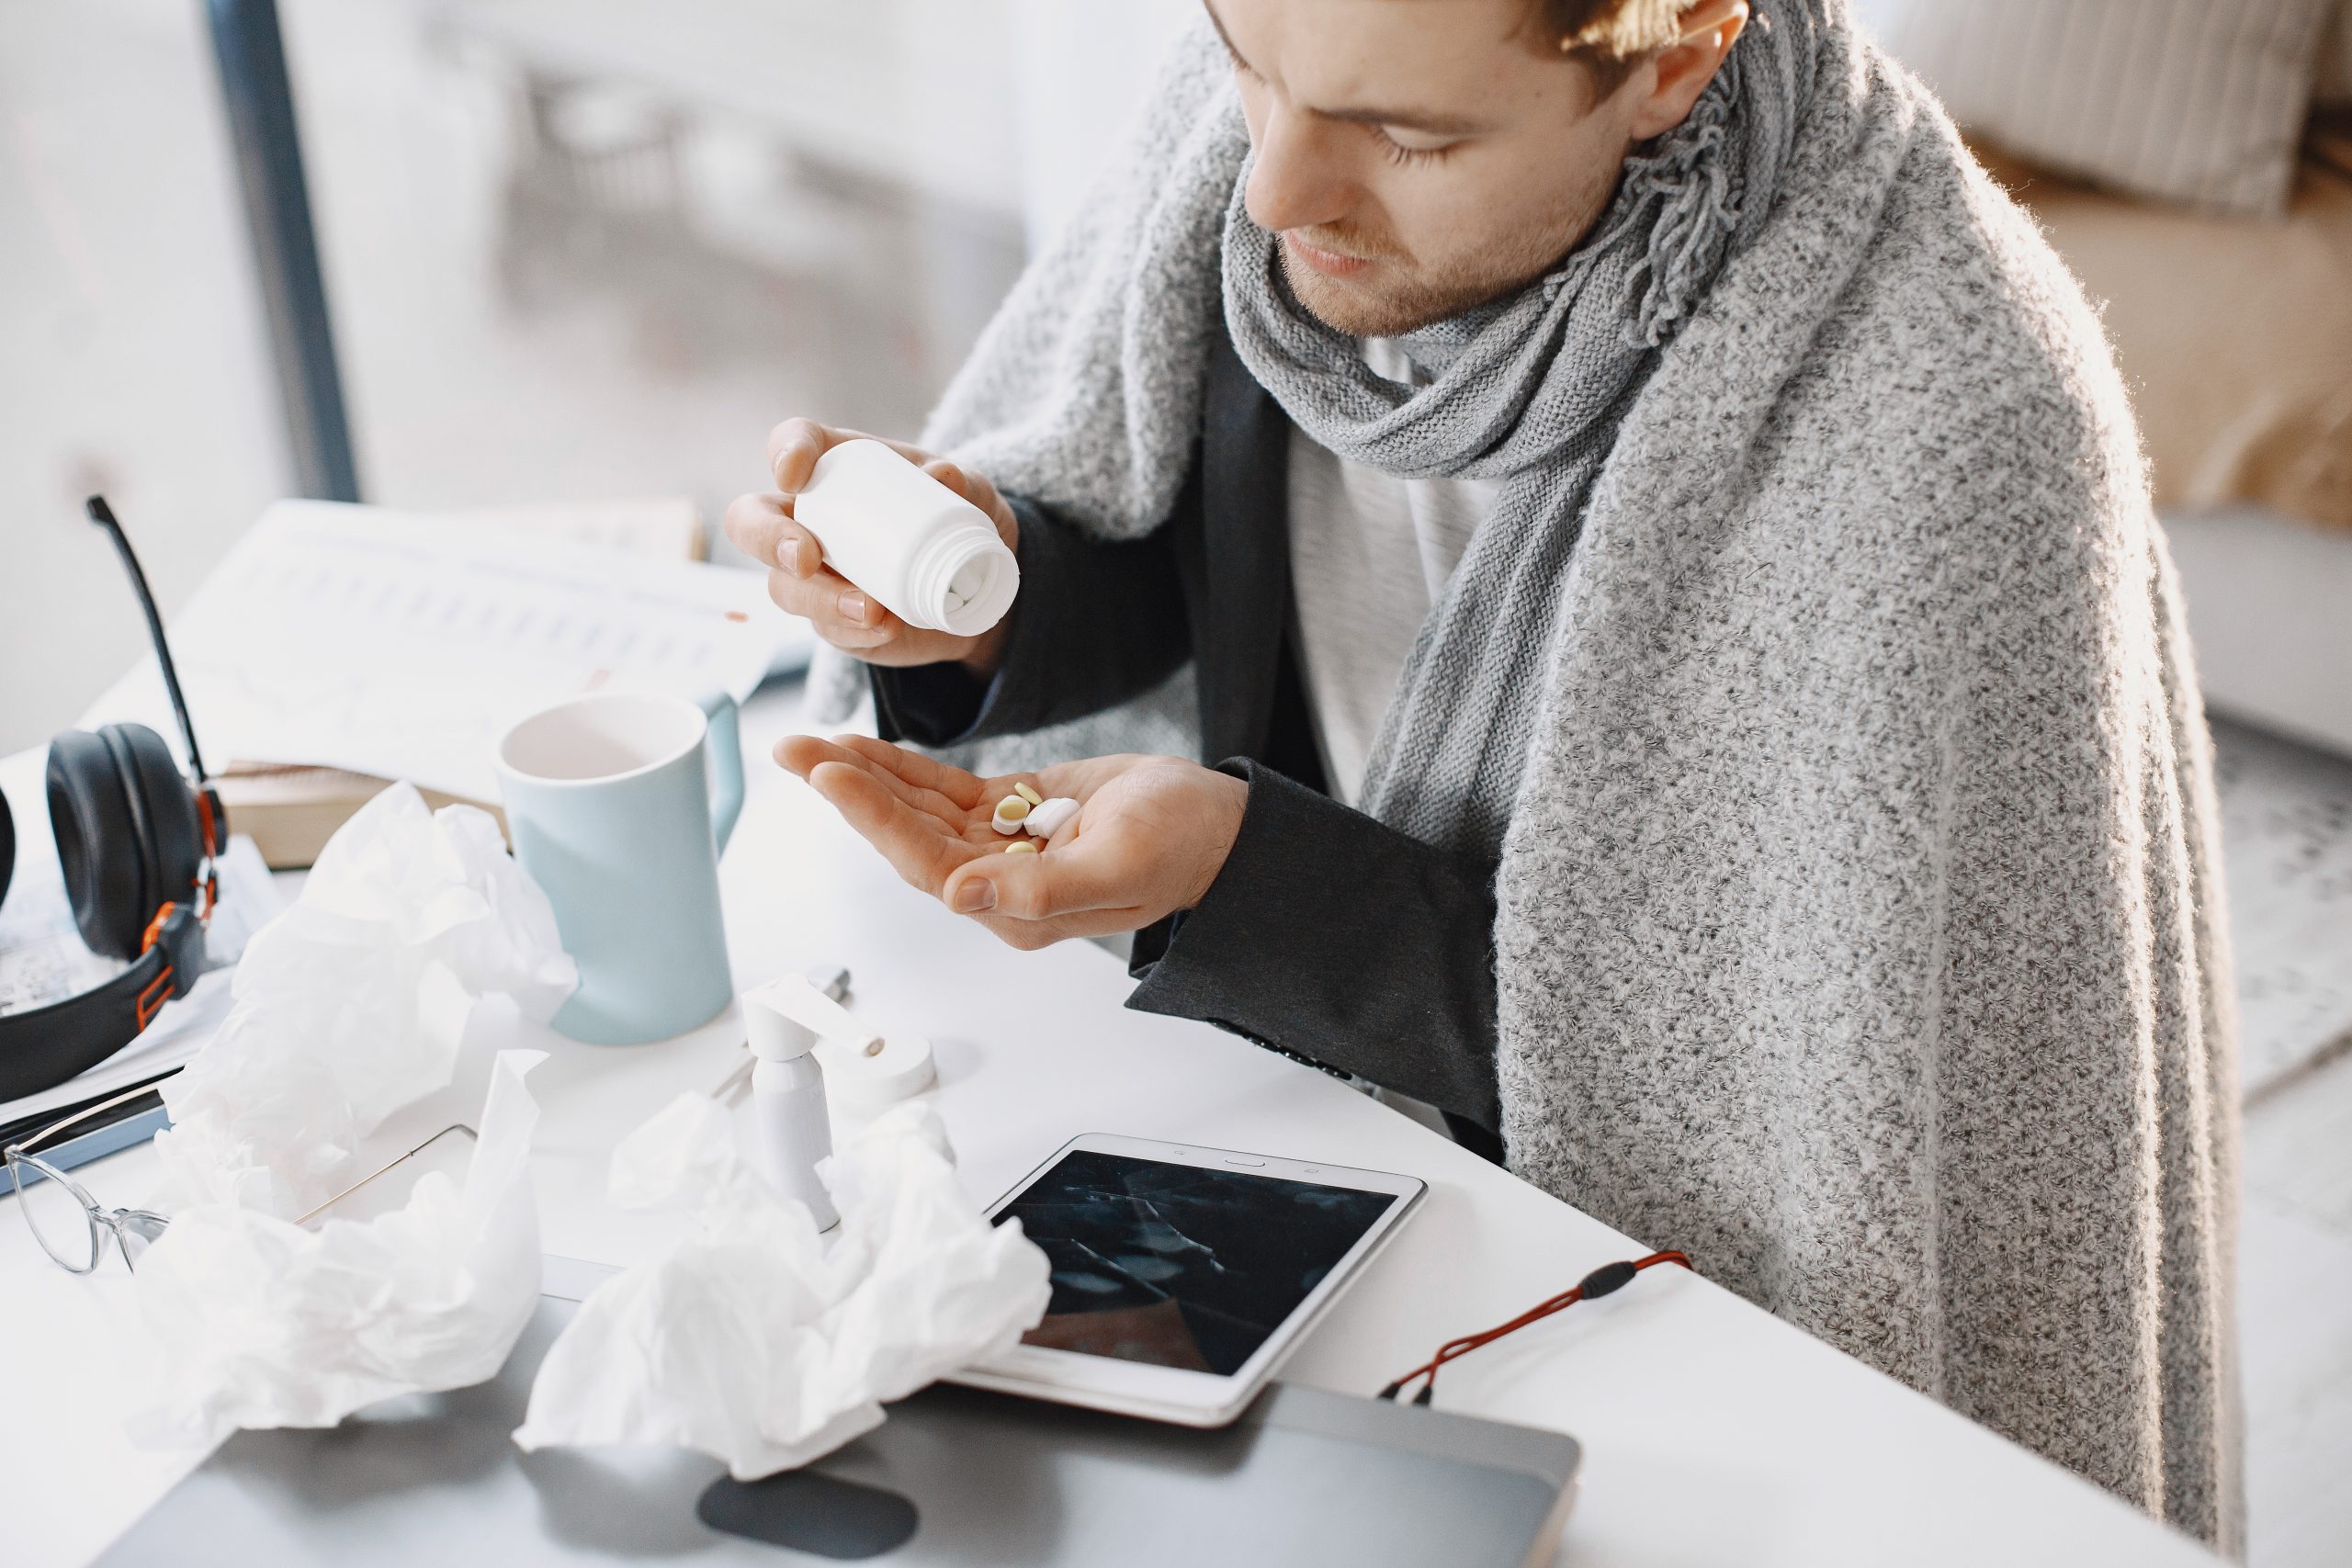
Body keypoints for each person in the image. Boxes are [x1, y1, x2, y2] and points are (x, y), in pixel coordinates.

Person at [725, 0, 2240, 1546]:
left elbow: (1731, 1083)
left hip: (1637, 1299)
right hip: (1296, 1118)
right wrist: (971, 618)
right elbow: (1166, 541)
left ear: (1672, 52)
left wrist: (1241, 877)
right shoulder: (1294, 125)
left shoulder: (1946, 423)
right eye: (1244, 59)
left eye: (1415, 137)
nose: (1271, 189)